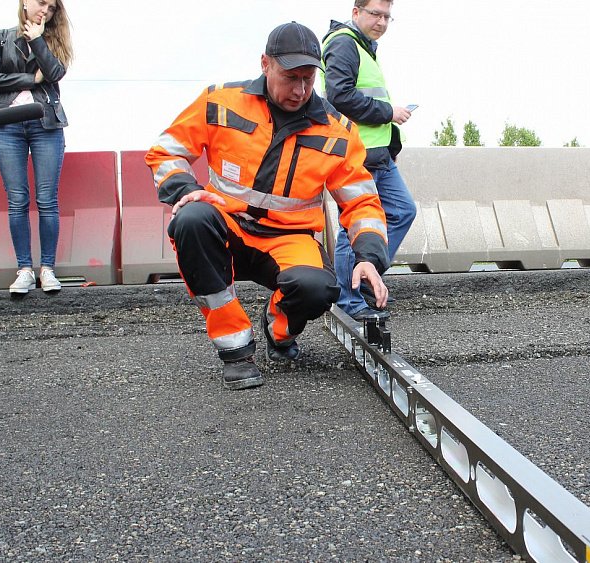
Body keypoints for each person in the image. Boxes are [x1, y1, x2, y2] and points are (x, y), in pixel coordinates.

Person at [145, 22, 390, 391]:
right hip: (225, 226)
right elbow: (167, 151)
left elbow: (361, 201)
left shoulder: (338, 131)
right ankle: (235, 349)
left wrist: (369, 257)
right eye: (291, 77)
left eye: (308, 79)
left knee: (318, 287)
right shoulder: (220, 102)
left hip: (288, 239)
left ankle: (278, 329)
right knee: (191, 220)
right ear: (265, 64)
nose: (301, 90)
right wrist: (185, 189)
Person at [321, 0, 416, 320]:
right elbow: (339, 96)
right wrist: (389, 112)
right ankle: (348, 298)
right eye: (375, 14)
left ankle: (365, 277)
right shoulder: (344, 44)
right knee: (354, 227)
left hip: (379, 155)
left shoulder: (365, 47)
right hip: (355, 155)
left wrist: (391, 141)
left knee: (402, 210)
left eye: (387, 16)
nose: (382, 21)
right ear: (356, 12)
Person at [0, 0, 73, 295]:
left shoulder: (54, 40)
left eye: (50, 7)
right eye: (40, 3)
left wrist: (37, 39)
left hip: (45, 124)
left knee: (47, 199)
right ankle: (24, 269)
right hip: (7, 124)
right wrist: (31, 79)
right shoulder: (1, 37)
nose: (44, 11)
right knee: (17, 199)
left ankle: (47, 269)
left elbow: (55, 73)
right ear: (25, 2)